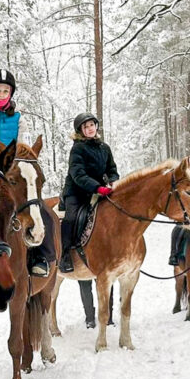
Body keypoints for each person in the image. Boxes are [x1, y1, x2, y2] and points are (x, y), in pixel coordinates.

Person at [0, 68, 52, 278]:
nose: (1, 94)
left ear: (10, 94)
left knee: (36, 206)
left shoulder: (18, 119)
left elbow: (21, 147)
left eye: (5, 91)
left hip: (12, 169)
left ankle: (38, 256)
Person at [59, 112, 118, 273]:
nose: (90, 128)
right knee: (71, 218)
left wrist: (113, 180)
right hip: (76, 192)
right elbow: (78, 174)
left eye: (92, 125)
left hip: (99, 190)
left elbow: (112, 168)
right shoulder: (77, 148)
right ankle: (64, 255)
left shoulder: (104, 147)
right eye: (86, 127)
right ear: (80, 130)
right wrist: (97, 187)